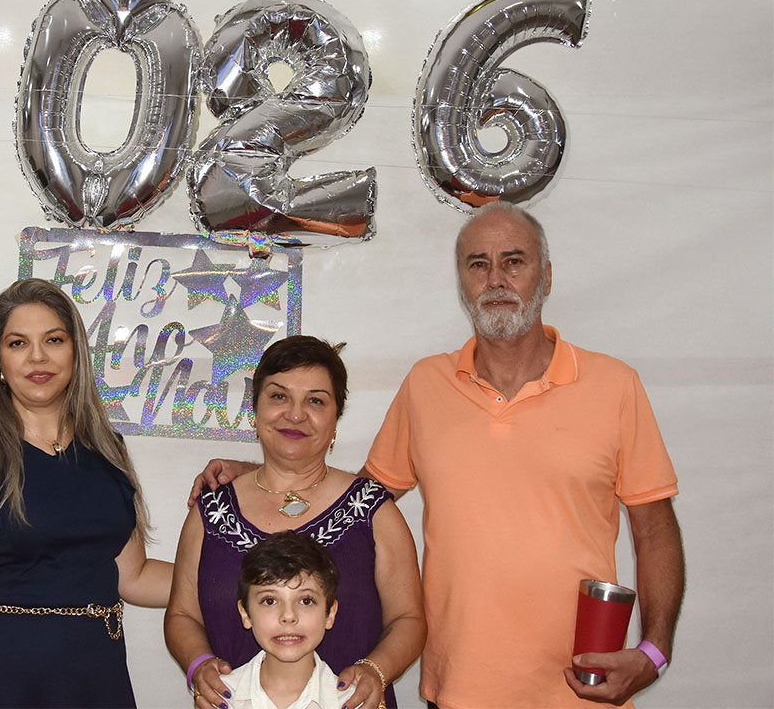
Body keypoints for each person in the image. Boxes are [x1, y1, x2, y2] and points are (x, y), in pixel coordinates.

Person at [196, 204, 686, 709]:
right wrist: (268, 475)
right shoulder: (427, 385)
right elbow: (355, 502)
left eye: (513, 261)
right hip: (459, 688)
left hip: (581, 690)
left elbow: (654, 529)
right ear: (462, 282)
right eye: (478, 264)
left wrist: (654, 651)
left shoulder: (614, 386)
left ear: (547, 276)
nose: (495, 279)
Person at [0, 278, 172, 709]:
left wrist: (234, 574)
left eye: (53, 340)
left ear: (76, 353)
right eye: (17, 343)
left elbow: (134, 576)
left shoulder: (108, 450)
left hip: (95, 682)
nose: (37, 357)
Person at [167, 336, 425, 709]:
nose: (295, 414)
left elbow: (409, 618)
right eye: (279, 396)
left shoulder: (373, 510)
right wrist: (199, 665)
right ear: (255, 409)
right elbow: (181, 614)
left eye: (315, 401)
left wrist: (376, 671)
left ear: (335, 418)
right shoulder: (211, 511)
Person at [225, 531, 355, 709]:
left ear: (330, 614)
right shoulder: (219, 698)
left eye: (306, 601)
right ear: (245, 614)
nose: (288, 616)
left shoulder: (353, 702)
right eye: (270, 601)